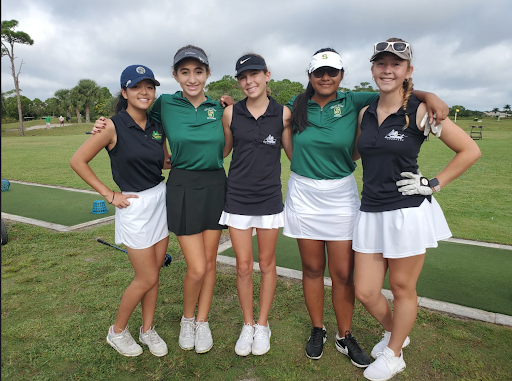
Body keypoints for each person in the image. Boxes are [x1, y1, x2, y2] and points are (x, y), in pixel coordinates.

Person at [283, 48, 449, 366]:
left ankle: (344, 335)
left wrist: (430, 94)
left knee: (344, 274)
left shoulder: (354, 101)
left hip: (341, 194)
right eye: (319, 72)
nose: (326, 77)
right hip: (304, 195)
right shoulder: (296, 104)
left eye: (332, 71)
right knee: (313, 269)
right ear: (310, 76)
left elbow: (395, 89)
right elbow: (278, 126)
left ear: (342, 75)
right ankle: (317, 329)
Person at [352, 38, 481, 381]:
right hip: (370, 210)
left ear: (409, 71)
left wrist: (433, 184)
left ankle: (394, 354)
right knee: (364, 290)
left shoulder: (421, 112)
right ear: (373, 69)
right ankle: (398, 333)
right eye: (382, 63)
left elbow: (469, 150)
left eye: (396, 64)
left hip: (406, 211)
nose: (388, 70)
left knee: (402, 288)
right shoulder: (365, 112)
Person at [94, 46, 232, 354]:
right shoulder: (165, 103)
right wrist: (103, 125)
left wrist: (231, 105)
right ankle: (186, 319)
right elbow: (132, 116)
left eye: (199, 71)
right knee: (196, 267)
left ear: (208, 74)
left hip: (214, 185)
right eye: (185, 72)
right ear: (175, 75)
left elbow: (225, 148)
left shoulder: (221, 107)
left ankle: (202, 321)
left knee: (210, 263)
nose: (192, 78)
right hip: (181, 186)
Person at [70, 64, 170, 357]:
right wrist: (109, 194)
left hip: (159, 200)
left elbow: (163, 162)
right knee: (146, 277)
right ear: (125, 92)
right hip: (134, 207)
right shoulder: (112, 125)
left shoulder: (156, 125)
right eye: (137, 87)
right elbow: (78, 161)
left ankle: (148, 329)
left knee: (155, 273)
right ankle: (117, 331)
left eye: (149, 87)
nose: (144, 92)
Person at [220, 54, 292, 356]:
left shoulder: (284, 114)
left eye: (254, 75)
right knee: (244, 266)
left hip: (269, 199)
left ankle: (263, 325)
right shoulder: (230, 114)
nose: (249, 82)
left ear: (267, 75)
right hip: (237, 198)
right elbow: (223, 152)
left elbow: (294, 155)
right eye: (243, 77)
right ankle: (247, 324)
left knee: (267, 263)